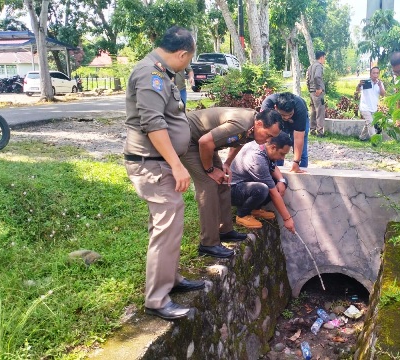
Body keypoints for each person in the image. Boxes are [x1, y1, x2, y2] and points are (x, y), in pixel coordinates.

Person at [123, 26, 203, 321]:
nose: (187, 65)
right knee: (167, 223)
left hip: (160, 162)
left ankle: (169, 278)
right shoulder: (150, 74)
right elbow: (153, 124)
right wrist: (178, 164)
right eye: (189, 59)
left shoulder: (162, 73)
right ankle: (156, 299)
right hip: (152, 163)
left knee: (167, 224)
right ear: (182, 54)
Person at [181, 108, 282, 259]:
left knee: (223, 181)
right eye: (268, 135)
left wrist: (227, 163)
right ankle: (208, 244)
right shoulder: (242, 125)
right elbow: (204, 142)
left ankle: (225, 230)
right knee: (208, 185)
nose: (268, 140)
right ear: (259, 124)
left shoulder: (252, 128)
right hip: (188, 140)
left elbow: (238, 141)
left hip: (205, 142)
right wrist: (209, 170)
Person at [230, 132, 296, 233]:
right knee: (262, 189)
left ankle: (255, 210)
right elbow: (273, 193)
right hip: (234, 190)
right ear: (273, 147)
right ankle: (242, 215)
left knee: (282, 181)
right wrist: (287, 219)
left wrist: (281, 181)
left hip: (247, 185)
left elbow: (272, 167)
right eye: (282, 154)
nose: (283, 158)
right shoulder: (256, 159)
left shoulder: (265, 147)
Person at [260, 92, 309, 171]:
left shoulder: (300, 109)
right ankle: (275, 169)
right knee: (278, 143)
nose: (286, 118)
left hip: (297, 119)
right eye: (283, 115)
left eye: (290, 114)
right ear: (275, 108)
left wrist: (296, 162)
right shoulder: (267, 105)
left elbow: (298, 138)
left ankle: (300, 169)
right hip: (276, 121)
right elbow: (265, 134)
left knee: (302, 151)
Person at [355, 66, 386, 141]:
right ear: (370, 74)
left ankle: (362, 137)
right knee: (371, 123)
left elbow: (383, 94)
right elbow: (357, 90)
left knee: (368, 123)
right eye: (374, 73)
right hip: (365, 107)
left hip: (373, 107)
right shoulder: (366, 82)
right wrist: (359, 85)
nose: (375, 75)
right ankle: (375, 140)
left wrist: (380, 86)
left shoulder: (380, 83)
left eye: (377, 73)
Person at [306, 50, 326, 137]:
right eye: (324, 58)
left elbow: (307, 79)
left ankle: (312, 129)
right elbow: (317, 76)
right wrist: (318, 88)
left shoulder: (310, 66)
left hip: (311, 91)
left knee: (313, 111)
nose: (324, 60)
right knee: (320, 111)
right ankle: (320, 131)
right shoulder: (319, 66)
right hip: (317, 92)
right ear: (321, 57)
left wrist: (310, 89)